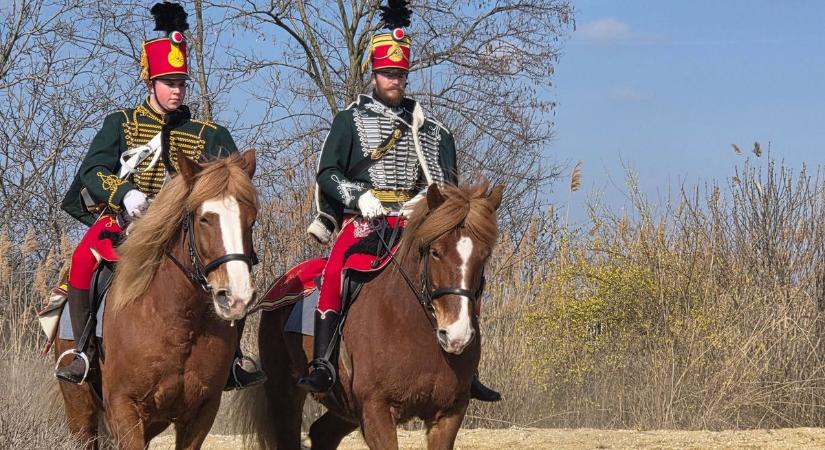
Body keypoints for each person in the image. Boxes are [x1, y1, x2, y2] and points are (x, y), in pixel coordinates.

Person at [54, 2, 265, 390]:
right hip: (127, 221)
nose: (177, 90)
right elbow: (92, 171)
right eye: (169, 82)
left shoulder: (209, 133)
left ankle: (233, 358)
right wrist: (125, 194)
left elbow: (234, 178)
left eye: (182, 83)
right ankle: (82, 351)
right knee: (84, 258)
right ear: (150, 82)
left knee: (239, 265)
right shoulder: (121, 123)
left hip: (185, 230)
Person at [298, 0, 501, 402]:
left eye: (401, 73)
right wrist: (360, 195)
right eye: (388, 73)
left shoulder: (434, 130)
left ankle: (469, 368)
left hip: (418, 222)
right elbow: (327, 173)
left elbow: (450, 190)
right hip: (367, 220)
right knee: (338, 265)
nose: (395, 80)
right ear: (374, 72)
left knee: (464, 268)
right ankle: (322, 361)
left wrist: (428, 204)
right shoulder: (349, 120)